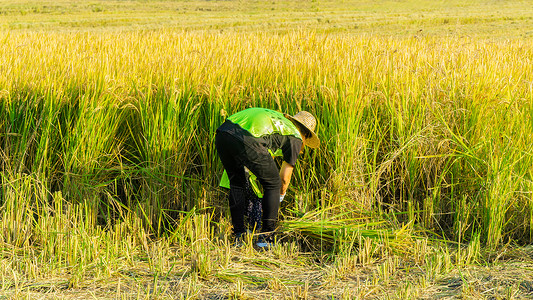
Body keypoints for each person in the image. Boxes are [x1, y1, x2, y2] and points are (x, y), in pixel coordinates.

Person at [215, 107, 320, 249]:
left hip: (223, 132)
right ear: (306, 134)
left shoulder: (278, 122)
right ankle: (266, 237)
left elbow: (261, 159)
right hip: (249, 137)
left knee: (237, 183)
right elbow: (284, 178)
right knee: (273, 184)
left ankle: (239, 236)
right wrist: (280, 195)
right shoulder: (295, 136)